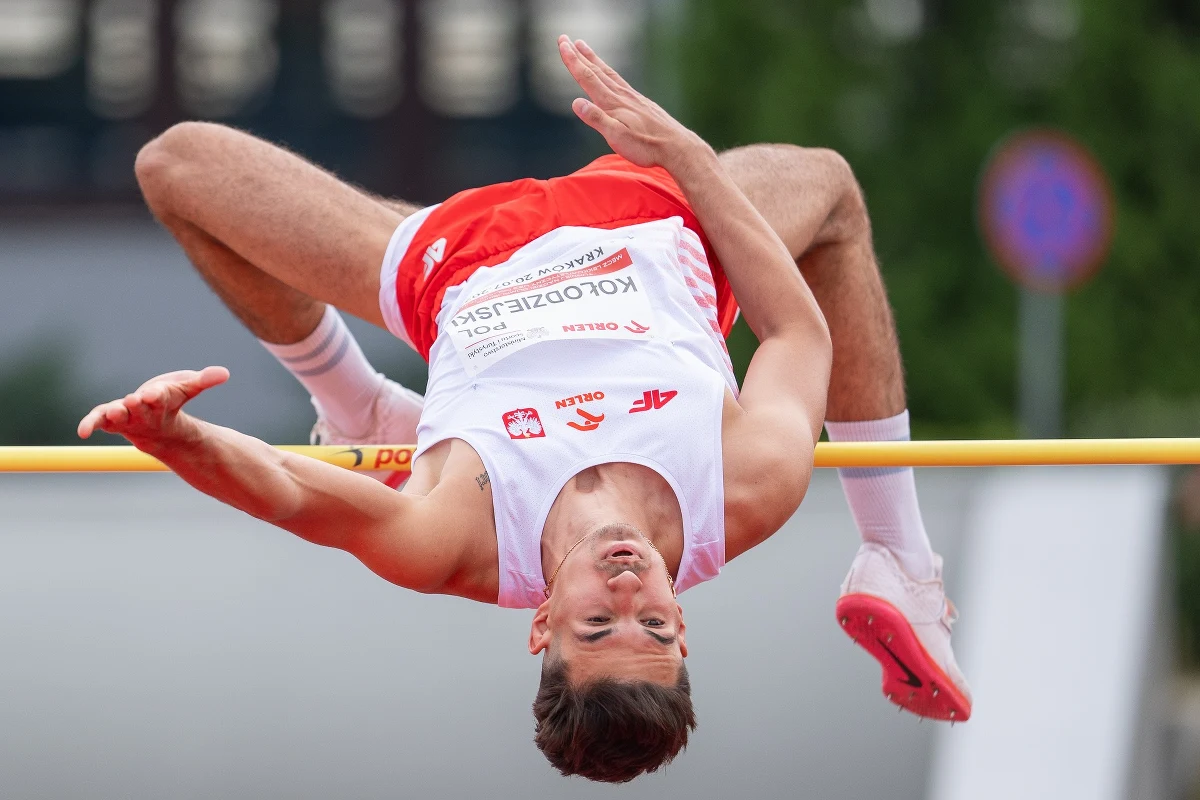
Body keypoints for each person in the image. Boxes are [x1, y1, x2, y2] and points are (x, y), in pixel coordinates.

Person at [79, 37, 971, 782]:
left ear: (543, 624)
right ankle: (899, 556)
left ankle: (353, 405)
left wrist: (176, 436)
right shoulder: (745, 491)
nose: (628, 591)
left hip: (460, 267)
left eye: (598, 623)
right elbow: (798, 339)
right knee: (830, 190)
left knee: (177, 165)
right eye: (653, 623)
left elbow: (287, 493)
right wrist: (695, 165)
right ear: (683, 622)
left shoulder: (455, 541)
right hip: (649, 224)